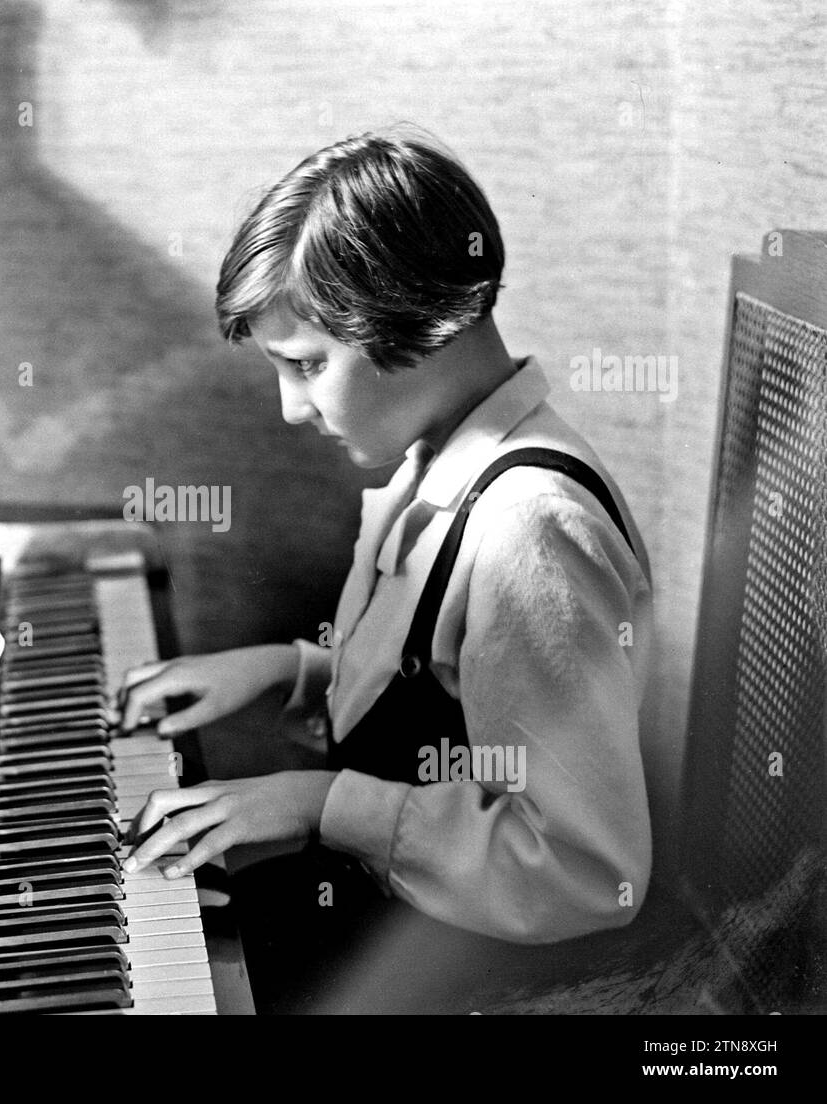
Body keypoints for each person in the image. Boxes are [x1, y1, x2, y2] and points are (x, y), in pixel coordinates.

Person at [115, 126, 657, 1012]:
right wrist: (287, 672)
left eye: (306, 367)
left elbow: (584, 873)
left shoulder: (528, 530)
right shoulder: (436, 454)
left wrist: (320, 802)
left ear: (412, 325)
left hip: (473, 979)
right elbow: (447, 694)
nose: (292, 410)